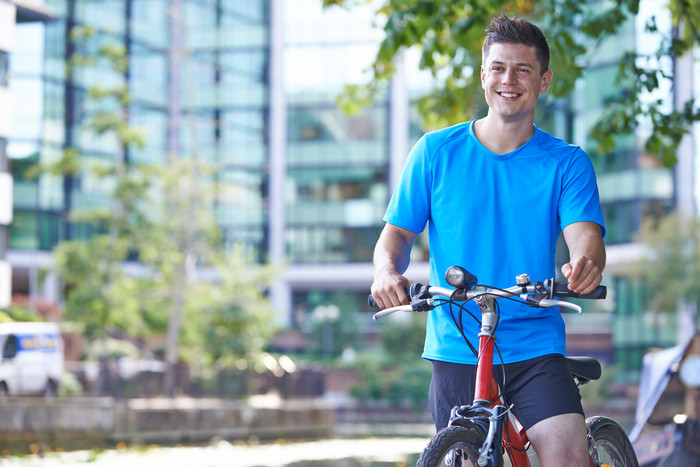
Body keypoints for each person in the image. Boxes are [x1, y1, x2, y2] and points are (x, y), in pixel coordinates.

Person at [370, 15, 606, 467]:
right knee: (465, 458)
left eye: (522, 69)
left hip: (534, 344)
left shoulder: (566, 162)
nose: (508, 80)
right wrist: (386, 271)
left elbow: (586, 237)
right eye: (498, 68)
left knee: (566, 457)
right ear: (483, 76)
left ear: (544, 80)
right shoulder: (435, 152)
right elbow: (395, 235)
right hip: (456, 343)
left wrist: (584, 263)